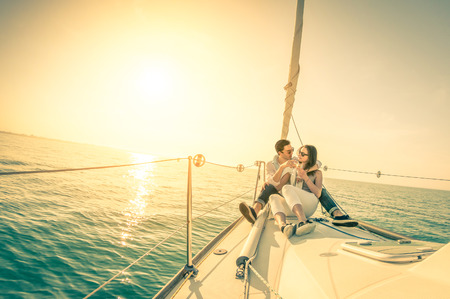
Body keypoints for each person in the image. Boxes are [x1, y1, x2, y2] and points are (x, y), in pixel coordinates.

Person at [239, 139, 357, 228]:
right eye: (289, 151)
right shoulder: (275, 165)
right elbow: (275, 184)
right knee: (273, 191)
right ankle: (262, 215)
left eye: (293, 150)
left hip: (301, 197)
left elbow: (317, 161)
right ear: (280, 153)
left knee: (319, 188)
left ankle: (336, 214)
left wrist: (305, 172)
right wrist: (281, 169)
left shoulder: (296, 161)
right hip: (285, 196)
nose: (294, 153)